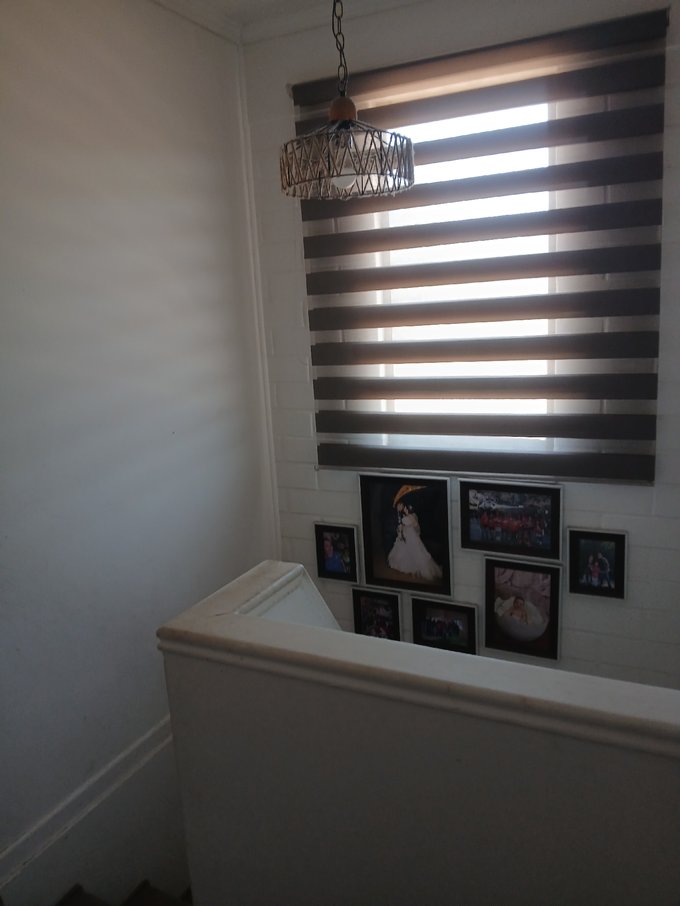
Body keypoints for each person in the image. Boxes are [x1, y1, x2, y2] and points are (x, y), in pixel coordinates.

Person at [387, 504, 443, 581]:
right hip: (405, 534)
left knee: (415, 551)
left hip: (411, 535)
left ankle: (416, 568)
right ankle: (403, 566)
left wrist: (408, 524)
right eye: (405, 508)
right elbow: (402, 524)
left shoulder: (412, 516)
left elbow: (415, 525)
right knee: (404, 550)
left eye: (406, 508)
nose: (405, 509)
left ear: (409, 510)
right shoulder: (404, 515)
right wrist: (401, 528)